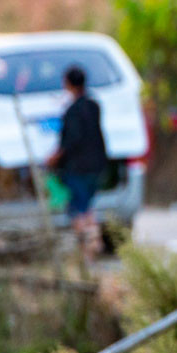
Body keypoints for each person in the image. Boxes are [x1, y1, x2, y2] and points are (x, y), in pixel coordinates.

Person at [48, 65, 109, 249]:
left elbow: (71, 141)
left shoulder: (73, 111)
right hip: (96, 165)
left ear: (68, 83)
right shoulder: (94, 106)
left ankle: (89, 248)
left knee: (78, 209)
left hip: (77, 168)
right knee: (87, 205)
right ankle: (93, 243)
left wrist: (55, 157)